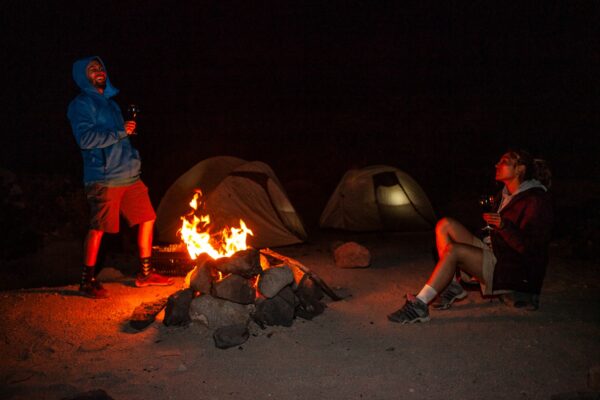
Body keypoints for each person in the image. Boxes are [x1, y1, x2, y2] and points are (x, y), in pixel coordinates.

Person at [388, 149, 553, 323]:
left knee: (454, 251)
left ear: (520, 169)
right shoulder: (505, 195)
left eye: (503, 162)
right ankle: (452, 286)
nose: (496, 165)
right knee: (444, 224)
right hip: (497, 250)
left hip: (509, 265)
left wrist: (503, 225)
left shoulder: (536, 201)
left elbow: (531, 248)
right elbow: (492, 230)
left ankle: (419, 305)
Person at [67, 56, 173, 299]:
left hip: (130, 176)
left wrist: (132, 150)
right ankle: (87, 280)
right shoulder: (81, 104)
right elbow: (86, 139)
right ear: (83, 76)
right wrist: (119, 131)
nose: (98, 71)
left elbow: (120, 138)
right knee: (99, 228)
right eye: (92, 69)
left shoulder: (112, 104)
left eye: (100, 67)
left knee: (147, 218)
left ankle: (146, 274)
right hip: (105, 179)